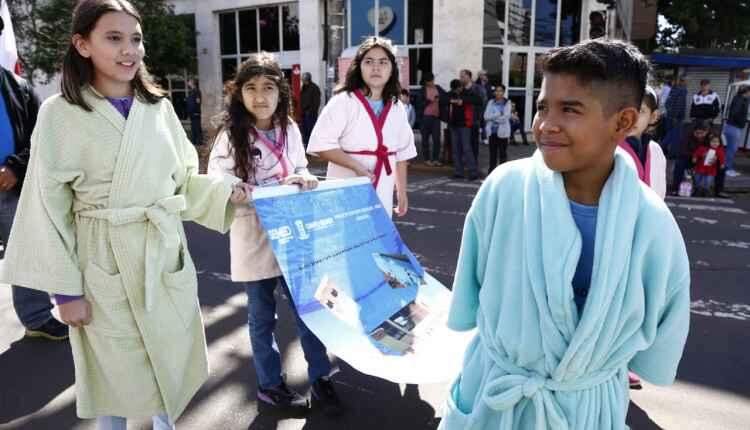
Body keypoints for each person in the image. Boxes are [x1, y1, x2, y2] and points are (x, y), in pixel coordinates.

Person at [0, 1, 251, 428]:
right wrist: (65, 293)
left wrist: (228, 192)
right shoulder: (59, 114)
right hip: (102, 264)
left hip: (162, 255)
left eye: (135, 39)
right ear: (82, 44)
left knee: (167, 365)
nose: (128, 50)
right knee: (112, 379)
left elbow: (183, 182)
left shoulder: (159, 109)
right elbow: (47, 206)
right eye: (113, 38)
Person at [440, 39, 690, 429]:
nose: (545, 124)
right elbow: (473, 274)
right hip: (496, 389)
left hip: (583, 406)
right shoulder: (504, 188)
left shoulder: (652, 223)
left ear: (623, 122)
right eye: (542, 107)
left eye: (569, 109)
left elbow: (667, 317)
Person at [208, 53, 342, 416]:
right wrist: (236, 187)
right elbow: (216, 175)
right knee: (261, 316)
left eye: (268, 88)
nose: (260, 96)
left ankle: (321, 377)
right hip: (253, 231)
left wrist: (304, 176)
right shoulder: (230, 134)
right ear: (239, 94)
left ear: (281, 93)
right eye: (250, 89)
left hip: (292, 230)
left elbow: (299, 164)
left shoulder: (290, 129)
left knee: (309, 311)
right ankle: (270, 386)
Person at [0, 15, 69, 342]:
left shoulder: (18, 88)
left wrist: (14, 167)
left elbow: (40, 139)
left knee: (27, 253)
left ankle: (37, 318)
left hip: (12, 189)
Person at [307, 36, 417, 218]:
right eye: (369, 61)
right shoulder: (343, 101)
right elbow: (321, 145)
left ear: (391, 69)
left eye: (383, 62)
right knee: (346, 239)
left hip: (383, 188)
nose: (376, 68)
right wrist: (355, 166)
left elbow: (402, 153)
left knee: (378, 241)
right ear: (359, 67)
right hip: (346, 188)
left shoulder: (396, 106)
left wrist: (401, 191)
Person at [621, 85, 668, 199]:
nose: (632, 118)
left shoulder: (655, 150)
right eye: (626, 109)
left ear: (653, 116)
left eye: (641, 110)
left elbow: (660, 192)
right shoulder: (607, 147)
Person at [448, 79, 479, 180]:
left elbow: (478, 100)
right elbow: (443, 98)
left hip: (465, 125)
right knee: (456, 150)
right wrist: (451, 100)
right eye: (454, 90)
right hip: (454, 125)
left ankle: (473, 172)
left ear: (461, 87)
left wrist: (463, 100)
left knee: (467, 149)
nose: (455, 92)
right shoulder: (452, 93)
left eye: (457, 90)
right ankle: (458, 172)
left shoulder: (468, 93)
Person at [671, 120, 710, 195]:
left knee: (721, 167)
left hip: (704, 159)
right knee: (679, 164)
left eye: (702, 133)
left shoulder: (710, 137)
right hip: (689, 159)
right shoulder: (688, 137)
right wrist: (694, 155)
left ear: (706, 132)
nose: (699, 135)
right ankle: (675, 188)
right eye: (697, 133)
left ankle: (709, 189)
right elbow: (682, 151)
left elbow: (717, 149)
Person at [417, 72, 446, 166]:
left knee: (436, 139)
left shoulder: (438, 88)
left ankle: (436, 159)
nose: (432, 82)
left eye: (433, 80)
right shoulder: (422, 90)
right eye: (430, 81)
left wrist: (440, 99)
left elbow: (446, 96)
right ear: (426, 82)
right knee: (425, 139)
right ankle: (427, 159)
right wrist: (428, 101)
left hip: (436, 117)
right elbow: (418, 103)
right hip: (425, 117)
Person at [722, 85, 749, 178]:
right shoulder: (740, 100)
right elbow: (734, 113)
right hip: (734, 127)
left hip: (731, 127)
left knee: (730, 149)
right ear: (746, 92)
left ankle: (726, 167)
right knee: (731, 150)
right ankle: (727, 169)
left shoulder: (739, 99)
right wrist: (741, 122)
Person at [483, 84, 511, 173]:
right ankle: (491, 173)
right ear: (494, 92)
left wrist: (493, 117)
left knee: (502, 154)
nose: (498, 93)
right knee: (492, 154)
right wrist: (498, 114)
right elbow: (486, 116)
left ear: (503, 92)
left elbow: (505, 118)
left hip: (503, 133)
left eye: (500, 91)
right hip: (492, 132)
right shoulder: (491, 102)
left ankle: (502, 174)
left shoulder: (507, 102)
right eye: (497, 91)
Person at [459, 69, 485, 159]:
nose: (461, 78)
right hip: (462, 120)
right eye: (460, 77)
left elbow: (482, 103)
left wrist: (479, 118)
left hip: (474, 120)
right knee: (463, 143)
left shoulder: (478, 88)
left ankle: (473, 163)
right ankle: (466, 162)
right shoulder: (460, 89)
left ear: (468, 77)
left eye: (462, 76)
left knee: (473, 143)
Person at [692, 132, 725, 197]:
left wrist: (722, 164)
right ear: (709, 142)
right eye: (713, 141)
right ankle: (698, 190)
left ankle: (705, 191)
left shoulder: (719, 150)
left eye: (717, 142)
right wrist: (695, 158)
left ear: (719, 143)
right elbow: (696, 153)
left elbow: (722, 158)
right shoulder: (703, 148)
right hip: (700, 168)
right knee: (697, 180)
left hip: (711, 170)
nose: (715, 143)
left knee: (707, 181)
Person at [663, 76, 687, 157]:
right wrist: (676, 117)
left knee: (669, 134)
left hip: (669, 116)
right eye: (685, 81)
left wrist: (670, 114)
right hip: (676, 118)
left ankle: (663, 150)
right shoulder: (682, 90)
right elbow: (679, 105)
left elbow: (667, 103)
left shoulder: (673, 90)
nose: (686, 82)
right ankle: (671, 153)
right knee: (675, 136)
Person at [300, 71, 321, 147]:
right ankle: (306, 145)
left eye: (303, 80)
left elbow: (316, 102)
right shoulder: (303, 88)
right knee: (304, 131)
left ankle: (312, 146)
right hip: (304, 113)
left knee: (311, 130)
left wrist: (311, 111)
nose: (302, 81)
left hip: (310, 114)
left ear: (307, 79)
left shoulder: (314, 88)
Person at [185, 78, 202, 145]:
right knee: (193, 129)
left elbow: (198, 102)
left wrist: (196, 111)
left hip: (195, 113)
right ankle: (194, 142)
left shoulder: (197, 91)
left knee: (197, 128)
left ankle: (199, 143)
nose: (188, 83)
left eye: (188, 81)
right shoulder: (191, 91)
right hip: (192, 113)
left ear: (192, 82)